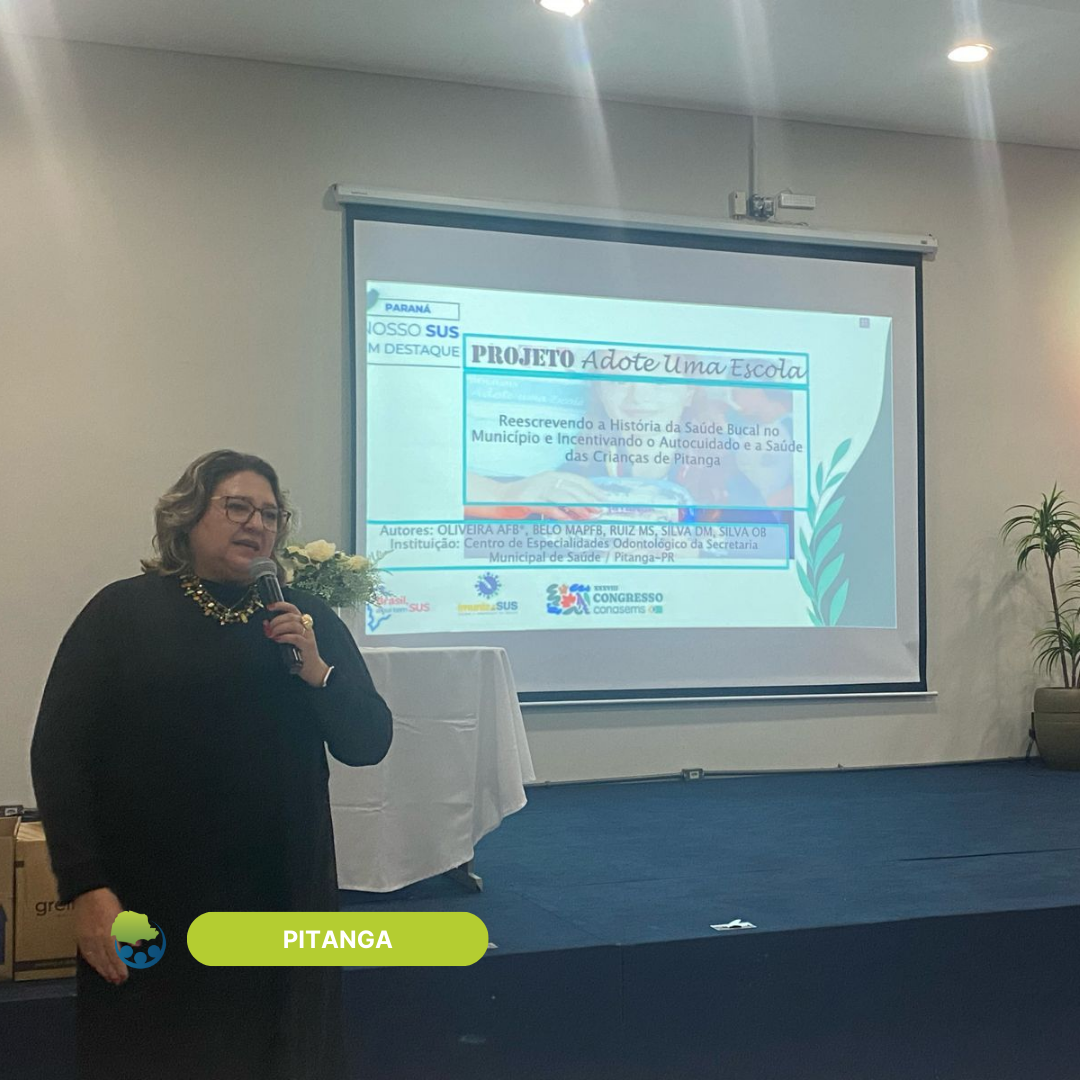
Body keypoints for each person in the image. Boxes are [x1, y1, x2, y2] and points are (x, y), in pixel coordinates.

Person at [30, 450, 393, 1080]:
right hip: (151, 893)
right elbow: (59, 752)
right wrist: (85, 888)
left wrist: (317, 670)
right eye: (238, 507)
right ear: (189, 515)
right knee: (146, 1053)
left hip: (280, 894)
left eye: (270, 514)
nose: (257, 524)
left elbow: (368, 742)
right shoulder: (121, 613)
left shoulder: (303, 618)